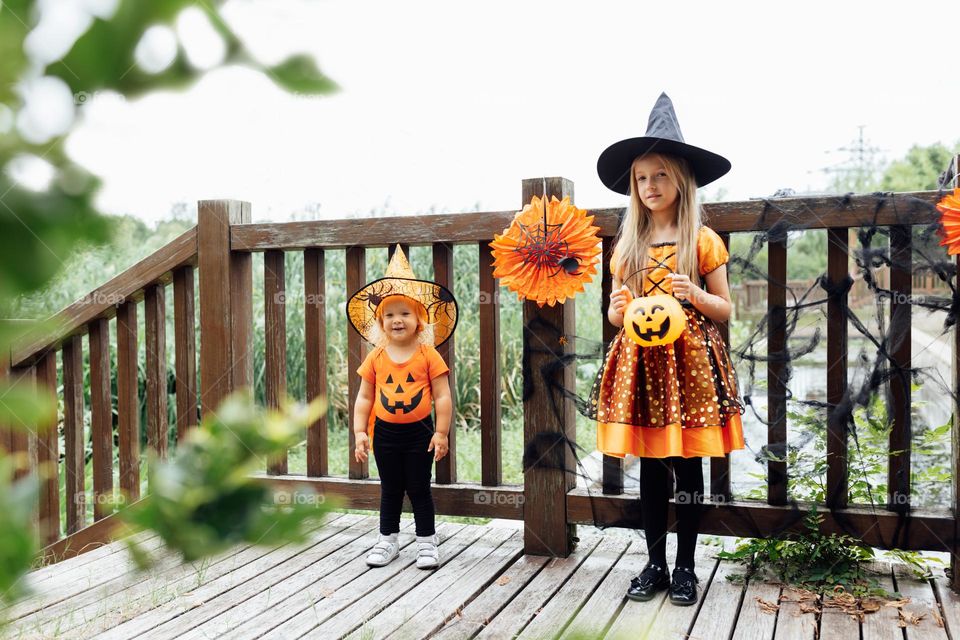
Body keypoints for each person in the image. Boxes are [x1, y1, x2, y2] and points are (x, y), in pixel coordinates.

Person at [591, 93, 745, 606]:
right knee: (651, 467)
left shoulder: (700, 239)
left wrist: (695, 294)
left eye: (659, 175)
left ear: (679, 178)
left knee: (688, 465)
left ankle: (685, 568)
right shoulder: (627, 245)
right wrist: (616, 308)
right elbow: (619, 318)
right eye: (641, 178)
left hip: (690, 367)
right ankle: (654, 563)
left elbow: (725, 310)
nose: (650, 186)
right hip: (641, 364)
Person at [347, 245, 458, 570]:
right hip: (384, 434)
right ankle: (388, 540)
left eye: (405, 313)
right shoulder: (376, 358)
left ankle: (426, 542)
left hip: (420, 433)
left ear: (420, 319)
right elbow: (365, 397)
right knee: (390, 488)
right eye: (390, 315)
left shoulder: (427, 355)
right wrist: (359, 432)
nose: (397, 320)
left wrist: (441, 433)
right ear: (381, 323)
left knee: (420, 487)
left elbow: (442, 396)